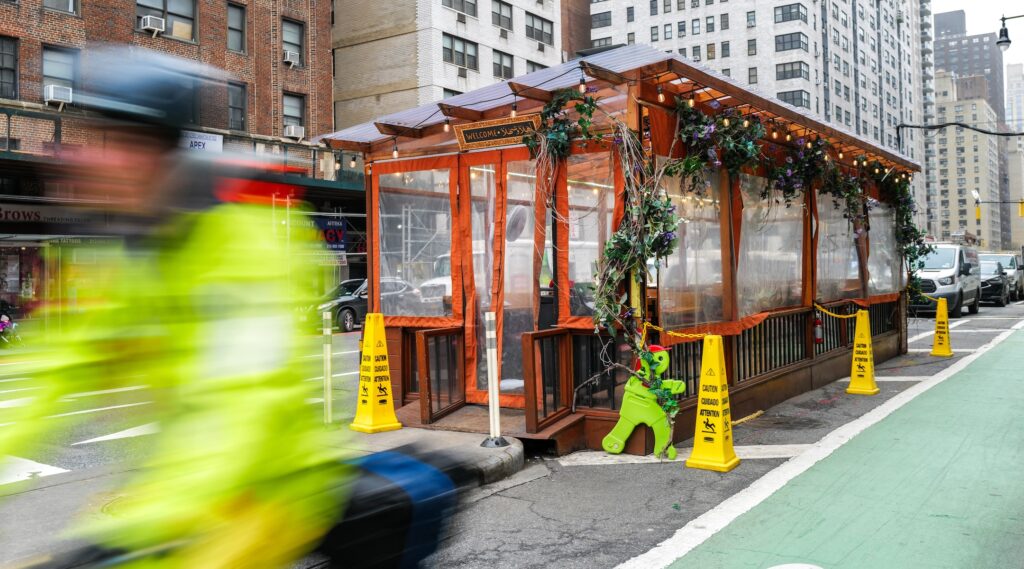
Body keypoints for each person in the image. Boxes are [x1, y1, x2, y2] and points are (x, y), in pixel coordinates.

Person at [0, 47, 347, 568]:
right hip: (180, 493)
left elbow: (240, 408)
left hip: (266, 495)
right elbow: (58, 369)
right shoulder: (138, 252)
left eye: (120, 144)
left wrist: (148, 522)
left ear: (159, 154)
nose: (98, 161)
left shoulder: (244, 246)